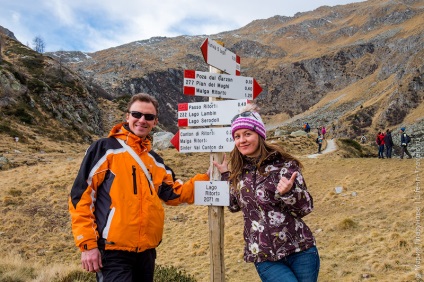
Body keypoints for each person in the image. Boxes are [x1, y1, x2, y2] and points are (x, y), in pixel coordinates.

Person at [68, 93, 209, 282]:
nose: (142, 120)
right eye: (137, 114)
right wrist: (87, 245)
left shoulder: (155, 161)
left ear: (155, 122)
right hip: (112, 252)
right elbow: (80, 197)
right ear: (127, 116)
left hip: (146, 253)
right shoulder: (105, 149)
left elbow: (174, 194)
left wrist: (208, 177)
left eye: (149, 117)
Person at [213, 104, 320, 282]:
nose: (242, 140)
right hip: (264, 255)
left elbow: (306, 208)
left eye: (248, 134)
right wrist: (226, 175)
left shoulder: (284, 165)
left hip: (300, 250)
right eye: (237, 136)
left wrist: (289, 192)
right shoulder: (239, 172)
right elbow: (233, 205)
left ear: (260, 135)